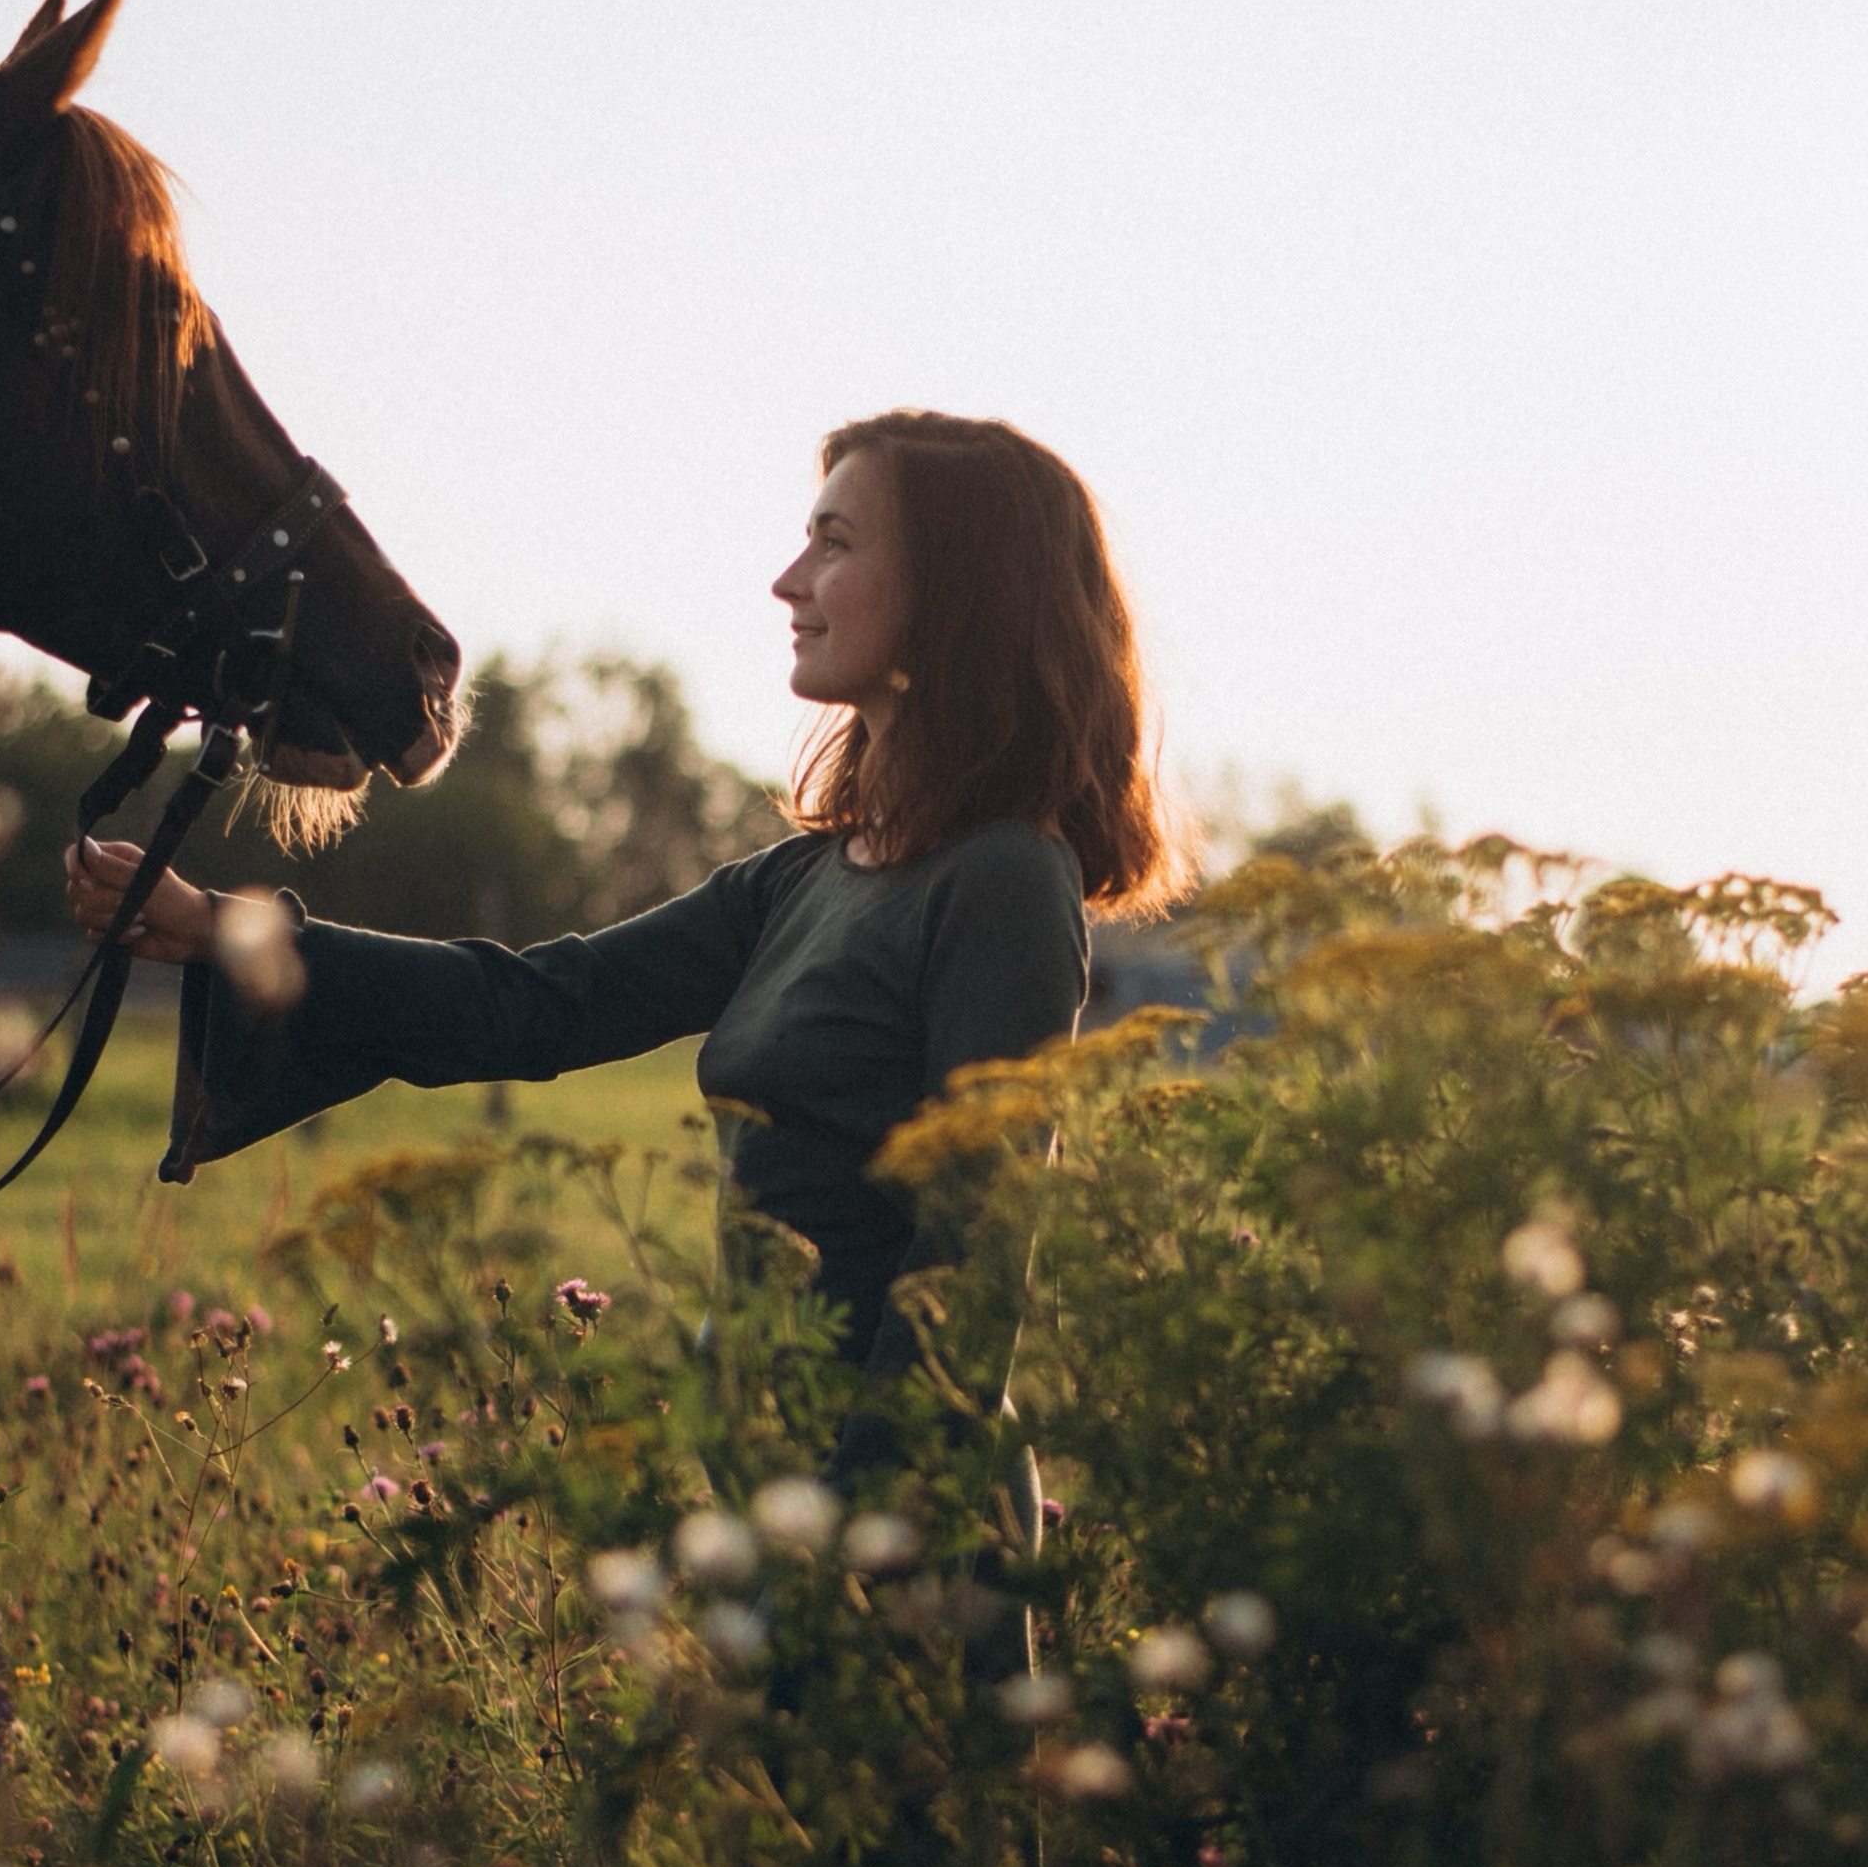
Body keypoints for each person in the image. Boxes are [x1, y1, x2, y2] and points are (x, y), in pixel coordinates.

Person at [65, 409, 1181, 1467]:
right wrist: (225, 933)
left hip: (892, 1527)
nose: (787, 581)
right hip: (765, 1483)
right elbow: (540, 1003)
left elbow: (974, 1254)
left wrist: (870, 1523)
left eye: (833, 543)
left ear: (959, 589)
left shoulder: (1002, 880)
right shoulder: (801, 879)